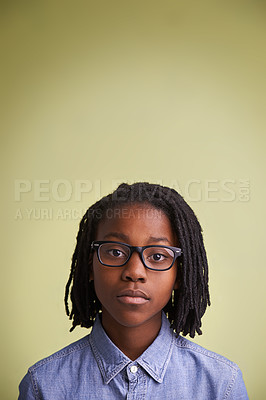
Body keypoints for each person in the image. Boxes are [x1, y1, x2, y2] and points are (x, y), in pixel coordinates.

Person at [18, 182, 249, 399]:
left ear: (179, 274)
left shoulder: (221, 385)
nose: (135, 272)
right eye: (115, 252)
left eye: (158, 256)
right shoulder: (43, 386)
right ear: (90, 266)